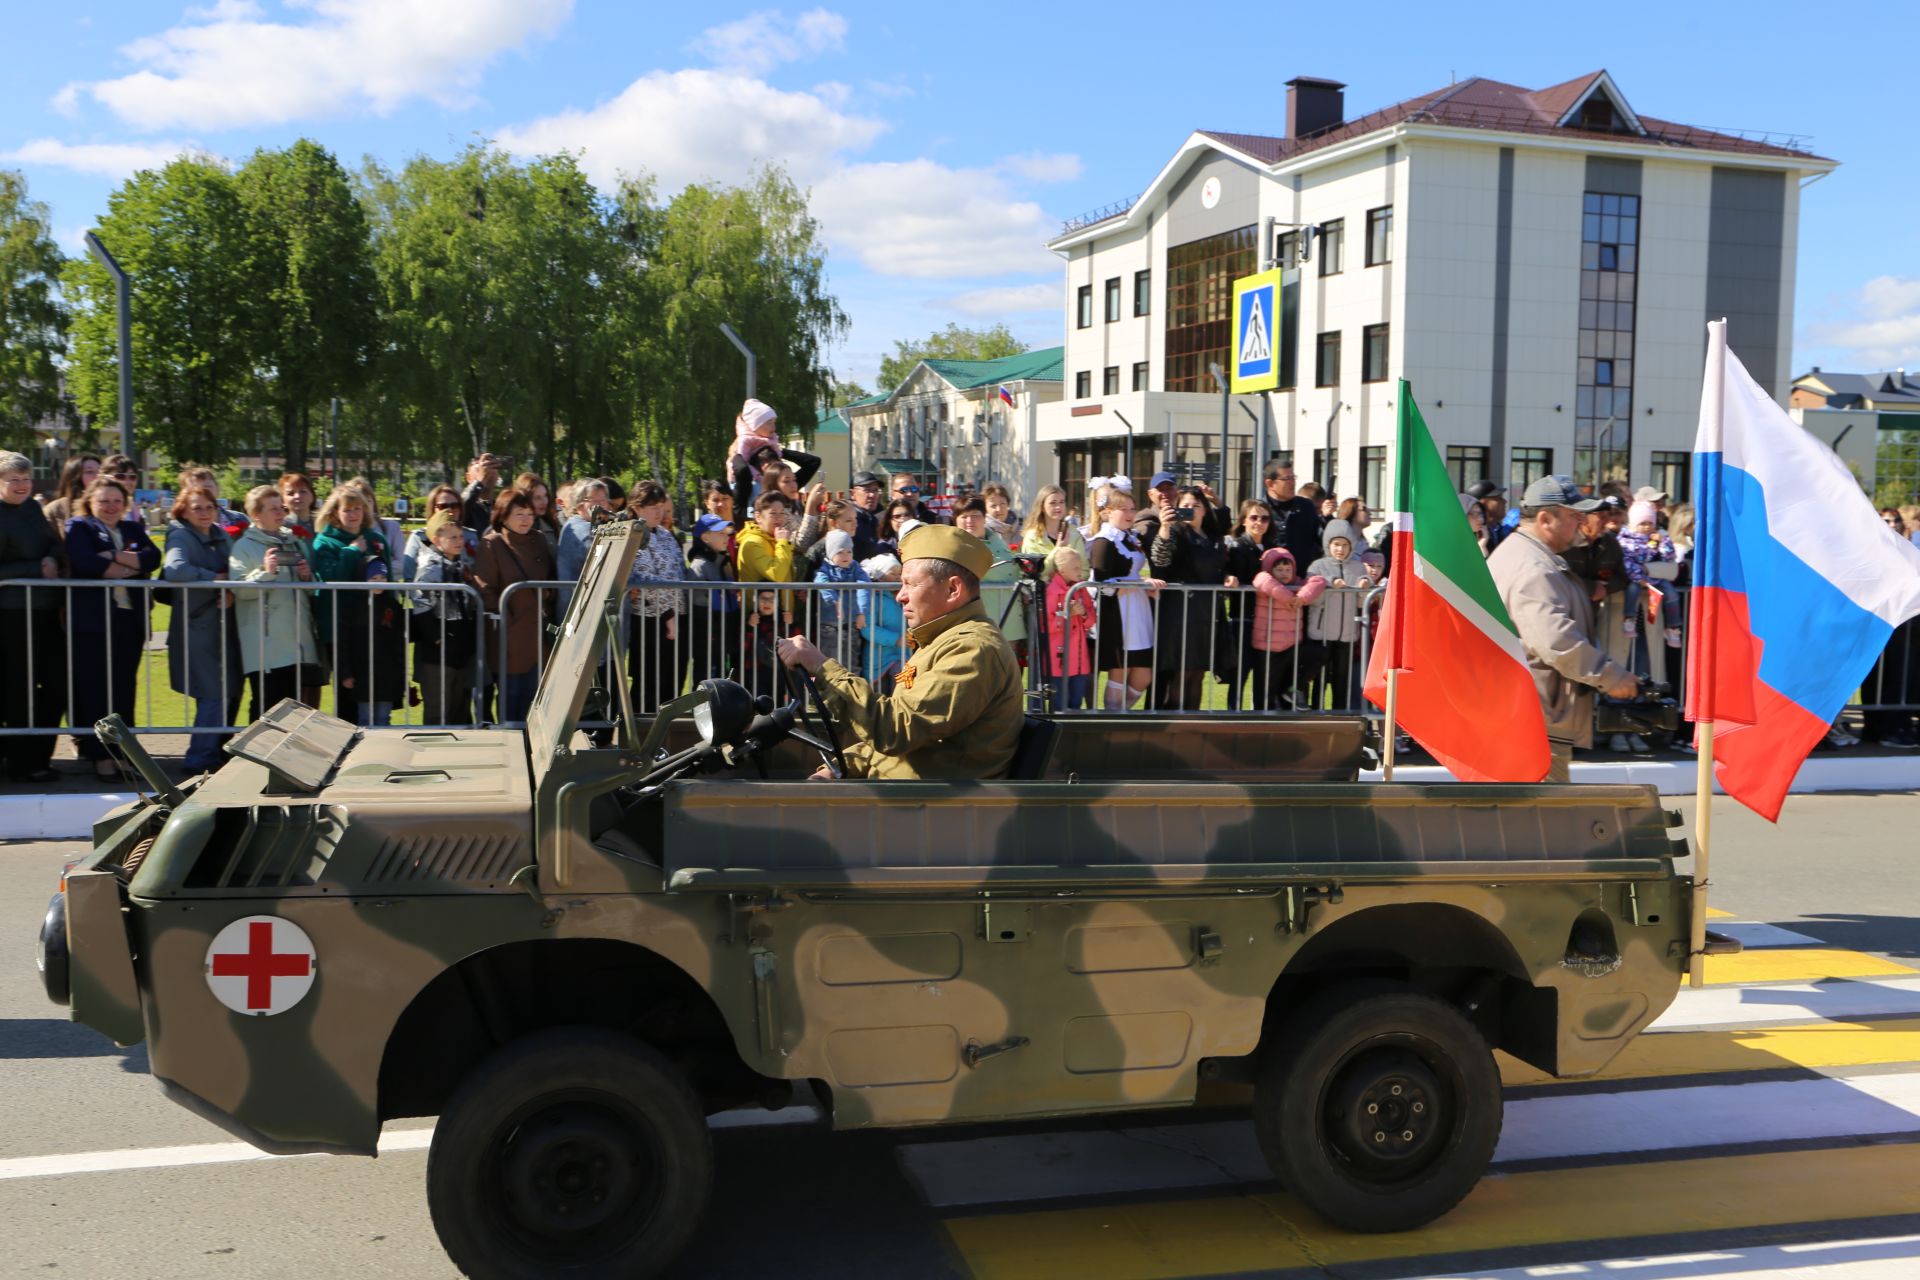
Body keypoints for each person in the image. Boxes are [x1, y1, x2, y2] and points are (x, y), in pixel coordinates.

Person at [776, 523, 1024, 780]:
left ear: (953, 590)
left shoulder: (972, 650)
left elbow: (895, 731)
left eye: (910, 584)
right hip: (909, 800)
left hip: (933, 810)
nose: (900, 596)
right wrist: (842, 766)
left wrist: (822, 667)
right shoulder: (942, 640)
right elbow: (901, 742)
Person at [1487, 476, 1641, 783]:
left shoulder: (1530, 556)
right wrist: (1611, 676)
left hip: (1531, 715)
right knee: (1542, 823)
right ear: (1545, 519)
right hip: (1533, 720)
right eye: (1573, 516)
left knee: (1536, 822)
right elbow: (1556, 641)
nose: (1581, 523)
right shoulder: (1534, 568)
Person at [64, 477, 160, 780]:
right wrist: (131, 565)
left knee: (123, 689)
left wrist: (114, 556)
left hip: (128, 620)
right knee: (95, 690)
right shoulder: (79, 526)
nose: (110, 506)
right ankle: (99, 756)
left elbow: (152, 558)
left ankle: (124, 754)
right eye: (104, 500)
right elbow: (85, 563)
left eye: (117, 501)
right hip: (93, 622)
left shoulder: (132, 528)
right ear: (90, 500)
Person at [163, 486, 243, 772]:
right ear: (183, 511)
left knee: (223, 693)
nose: (204, 512)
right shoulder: (180, 536)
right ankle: (199, 760)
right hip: (197, 626)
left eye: (209, 507)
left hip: (223, 626)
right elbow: (175, 570)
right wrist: (215, 579)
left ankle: (208, 756)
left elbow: (237, 571)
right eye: (197, 508)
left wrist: (231, 588)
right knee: (213, 694)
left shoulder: (221, 535)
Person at [313, 486, 405, 727]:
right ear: (335, 512)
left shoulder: (376, 539)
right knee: (348, 688)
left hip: (374, 628)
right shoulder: (324, 542)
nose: (353, 514)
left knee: (378, 687)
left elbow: (387, 583)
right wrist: (352, 552)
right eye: (347, 509)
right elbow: (330, 579)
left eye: (358, 509)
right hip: (340, 628)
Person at [1, 450, 66, 783]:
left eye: (26, 479)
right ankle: (20, 763)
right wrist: (34, 569)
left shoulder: (32, 508)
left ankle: (40, 756)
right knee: (19, 690)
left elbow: (51, 544)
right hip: (12, 615)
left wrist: (53, 559)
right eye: (14, 480)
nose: (22, 485)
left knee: (55, 685)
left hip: (44, 611)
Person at [230, 485, 321, 720]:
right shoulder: (243, 546)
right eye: (273, 509)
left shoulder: (294, 542)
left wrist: (306, 575)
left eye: (281, 507)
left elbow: (310, 590)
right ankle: (252, 756)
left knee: (292, 708)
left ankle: (284, 755)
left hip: (296, 641)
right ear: (256, 514)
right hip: (266, 645)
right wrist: (266, 572)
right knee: (265, 706)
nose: (281, 513)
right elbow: (239, 588)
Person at [472, 488, 555, 723]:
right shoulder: (492, 543)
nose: (526, 519)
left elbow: (550, 576)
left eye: (529, 513)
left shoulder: (539, 540)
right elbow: (484, 588)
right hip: (508, 636)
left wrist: (547, 595)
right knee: (511, 698)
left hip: (537, 634)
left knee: (534, 698)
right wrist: (505, 616)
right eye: (519, 513)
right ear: (503, 515)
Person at [1149, 484, 1229, 710]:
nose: (1191, 509)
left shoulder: (1213, 535)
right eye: (1185, 506)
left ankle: (1194, 722)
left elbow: (1221, 564)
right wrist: (1165, 527)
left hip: (1207, 612)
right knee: (1182, 672)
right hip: (1181, 613)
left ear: (1205, 509)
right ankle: (1176, 723)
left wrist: (1229, 577)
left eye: (1196, 505)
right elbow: (1159, 561)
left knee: (1198, 673)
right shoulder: (1175, 531)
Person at [1087, 480, 1161, 711]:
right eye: (1124, 509)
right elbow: (1100, 585)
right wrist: (1136, 584)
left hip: (1137, 612)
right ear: (1108, 512)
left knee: (1143, 674)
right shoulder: (1104, 541)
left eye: (1132, 508)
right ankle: (1112, 723)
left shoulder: (1127, 537)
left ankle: (1120, 715)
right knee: (1119, 673)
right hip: (1117, 615)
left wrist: (1143, 586)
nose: (1130, 514)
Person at [410, 510, 479, 726]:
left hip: (460, 647)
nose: (459, 541)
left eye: (460, 536)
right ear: (436, 540)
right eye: (452, 537)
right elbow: (421, 605)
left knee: (459, 707)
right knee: (438, 710)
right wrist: (437, 638)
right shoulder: (429, 567)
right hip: (439, 651)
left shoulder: (460, 565)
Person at [626, 480, 687, 714]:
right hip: (649, 620)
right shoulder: (634, 534)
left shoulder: (665, 534)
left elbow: (678, 570)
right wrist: (667, 614)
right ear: (637, 507)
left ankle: (666, 735)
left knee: (673, 680)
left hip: (676, 616)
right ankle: (640, 736)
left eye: (661, 507)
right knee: (648, 682)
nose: (660, 512)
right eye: (654, 508)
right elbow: (644, 579)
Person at [1304, 518, 1374, 710]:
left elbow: (1362, 602)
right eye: (1336, 544)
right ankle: (1317, 713)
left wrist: (1364, 587)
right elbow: (1311, 588)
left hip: (1347, 635)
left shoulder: (1358, 568)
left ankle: (1340, 714)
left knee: (1342, 678)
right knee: (1321, 677)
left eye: (1345, 545)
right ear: (1328, 544)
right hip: (1322, 633)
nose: (1340, 550)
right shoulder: (1318, 566)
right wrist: (1330, 582)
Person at [1249, 547, 1327, 710]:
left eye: (1288, 569)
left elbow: (1319, 581)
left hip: (1291, 646)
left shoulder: (1297, 584)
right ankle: (1260, 725)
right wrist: (1288, 598)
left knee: (1319, 653)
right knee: (1265, 694)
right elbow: (1261, 579)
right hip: (1268, 648)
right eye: (1279, 570)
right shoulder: (1265, 582)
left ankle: (1292, 690)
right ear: (1271, 570)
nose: (1284, 573)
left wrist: (1301, 597)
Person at [953, 496, 1026, 651]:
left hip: (1008, 623)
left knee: (1008, 673)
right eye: (964, 516)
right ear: (955, 520)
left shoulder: (997, 540)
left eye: (975, 515)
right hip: (974, 626)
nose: (969, 521)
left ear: (984, 517)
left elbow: (1012, 571)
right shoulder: (953, 546)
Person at [728, 399, 821, 516]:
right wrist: (737, 455)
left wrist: (780, 451)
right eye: (768, 466)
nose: (792, 484)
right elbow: (741, 470)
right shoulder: (750, 487)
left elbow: (813, 462)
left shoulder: (785, 486)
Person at [685, 513, 741, 684]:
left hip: (725, 636)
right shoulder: (699, 566)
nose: (726, 537)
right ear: (706, 537)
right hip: (709, 640)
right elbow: (699, 608)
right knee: (706, 681)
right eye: (720, 533)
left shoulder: (722, 562)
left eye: (726, 533)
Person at [1044, 545, 1096, 710]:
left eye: (1080, 566)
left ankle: (1073, 734)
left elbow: (1091, 619)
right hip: (1058, 659)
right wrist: (1068, 613)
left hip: (1079, 658)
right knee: (1058, 704)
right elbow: (1045, 625)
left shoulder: (1080, 588)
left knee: (1076, 702)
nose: (1080, 571)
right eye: (1075, 567)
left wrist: (1084, 615)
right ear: (1062, 569)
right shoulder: (1050, 591)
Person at [813, 529, 870, 670]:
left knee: (851, 663)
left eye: (849, 551)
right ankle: (829, 691)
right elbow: (821, 582)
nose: (846, 555)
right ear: (831, 554)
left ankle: (852, 690)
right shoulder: (825, 569)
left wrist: (862, 612)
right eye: (840, 552)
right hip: (829, 627)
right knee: (830, 663)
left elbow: (864, 585)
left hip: (850, 624)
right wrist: (835, 600)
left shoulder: (855, 567)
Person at [1262, 460, 1323, 571]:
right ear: (1270, 484)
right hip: (1271, 581)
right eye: (1286, 479)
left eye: (1293, 478)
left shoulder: (1306, 507)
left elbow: (1320, 538)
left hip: (1303, 579)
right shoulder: (1260, 511)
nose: (1292, 483)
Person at [1019, 484, 1086, 583]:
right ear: (1042, 507)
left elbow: (1084, 570)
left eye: (1061, 502)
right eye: (1053, 503)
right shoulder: (1032, 537)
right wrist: (1058, 549)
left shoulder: (1074, 533)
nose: (1058, 507)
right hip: (1044, 595)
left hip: (1070, 596)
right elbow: (1037, 572)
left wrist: (1068, 586)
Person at [861, 554, 907, 688]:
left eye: (900, 573)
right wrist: (895, 639)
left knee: (901, 693)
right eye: (893, 573)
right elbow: (867, 628)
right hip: (877, 661)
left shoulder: (903, 598)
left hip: (902, 657)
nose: (898, 577)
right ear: (880, 577)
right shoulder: (873, 598)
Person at [41, 454, 101, 528]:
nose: (98, 476)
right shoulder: (55, 510)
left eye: (100, 471)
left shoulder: (110, 505)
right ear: (74, 477)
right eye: (89, 471)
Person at [515, 471, 561, 553]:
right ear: (524, 499)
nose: (544, 502)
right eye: (537, 498)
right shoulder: (513, 529)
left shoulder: (551, 525)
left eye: (545, 495)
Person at [461, 453, 503, 534]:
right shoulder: (467, 507)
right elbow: (461, 506)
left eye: (491, 467)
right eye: (479, 470)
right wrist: (480, 482)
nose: (486, 472)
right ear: (468, 477)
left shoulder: (502, 508)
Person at [847, 470, 885, 557]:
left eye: (875, 490)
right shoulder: (847, 520)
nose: (872, 495)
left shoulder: (874, 518)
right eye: (867, 490)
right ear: (853, 494)